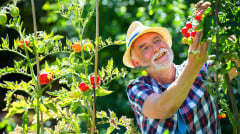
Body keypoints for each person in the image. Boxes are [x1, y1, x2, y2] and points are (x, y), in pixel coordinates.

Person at [123, 1, 238, 134]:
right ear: (136, 63)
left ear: (167, 44)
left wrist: (218, 23)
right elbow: (164, 108)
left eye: (157, 40)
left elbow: (237, 61)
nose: (155, 48)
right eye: (145, 48)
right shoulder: (137, 87)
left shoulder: (203, 69)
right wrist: (193, 65)